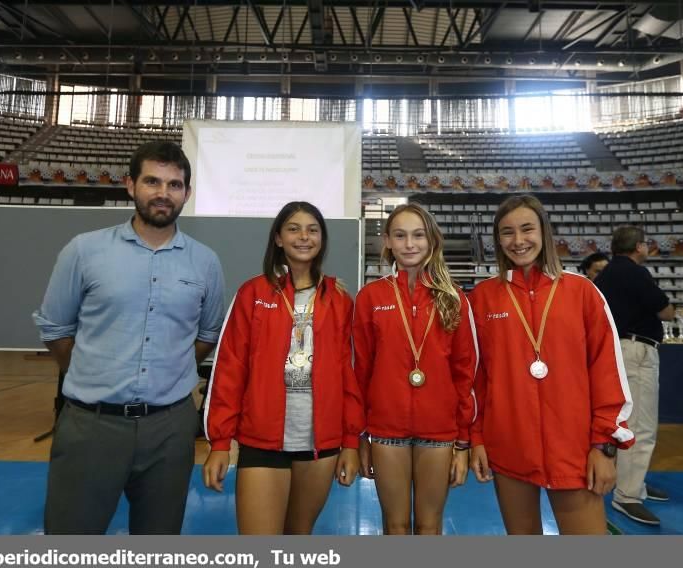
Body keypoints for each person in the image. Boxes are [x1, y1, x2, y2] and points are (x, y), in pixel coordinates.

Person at [33, 141, 225, 534]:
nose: (163, 193)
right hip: (92, 425)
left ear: (186, 193)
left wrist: (170, 370)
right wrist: (93, 372)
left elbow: (207, 334)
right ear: (130, 185)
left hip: (170, 429)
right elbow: (56, 329)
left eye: (174, 184)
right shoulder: (84, 251)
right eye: (152, 181)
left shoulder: (205, 261)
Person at [468, 194, 634, 535]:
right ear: (498, 240)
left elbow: (607, 373)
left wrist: (603, 446)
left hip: (573, 449)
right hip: (508, 447)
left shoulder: (582, 292)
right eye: (507, 232)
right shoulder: (483, 297)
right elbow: (477, 379)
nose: (518, 241)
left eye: (527, 229)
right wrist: (477, 438)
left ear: (544, 232)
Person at [202, 201, 364, 535]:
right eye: (294, 228)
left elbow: (350, 373)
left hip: (320, 443)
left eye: (313, 229)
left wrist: (350, 441)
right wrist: (220, 442)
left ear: (322, 239)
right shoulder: (253, 293)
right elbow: (230, 369)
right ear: (278, 238)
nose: (304, 236)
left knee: (298, 535)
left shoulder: (339, 299)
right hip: (262, 439)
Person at [352, 203, 477, 535]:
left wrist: (463, 442)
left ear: (432, 240)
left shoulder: (454, 299)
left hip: (439, 432)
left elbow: (465, 372)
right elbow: (360, 371)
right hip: (385, 430)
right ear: (388, 242)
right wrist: (360, 435)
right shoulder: (370, 297)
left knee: (429, 524)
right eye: (400, 235)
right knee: (394, 525)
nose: (410, 244)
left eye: (418, 235)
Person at [595, 226, 674, 526]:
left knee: (626, 422)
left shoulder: (605, 274)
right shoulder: (635, 273)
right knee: (640, 426)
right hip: (636, 351)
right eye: (645, 245)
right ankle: (628, 495)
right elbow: (666, 311)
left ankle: (633, 484)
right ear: (639, 247)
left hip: (618, 352)